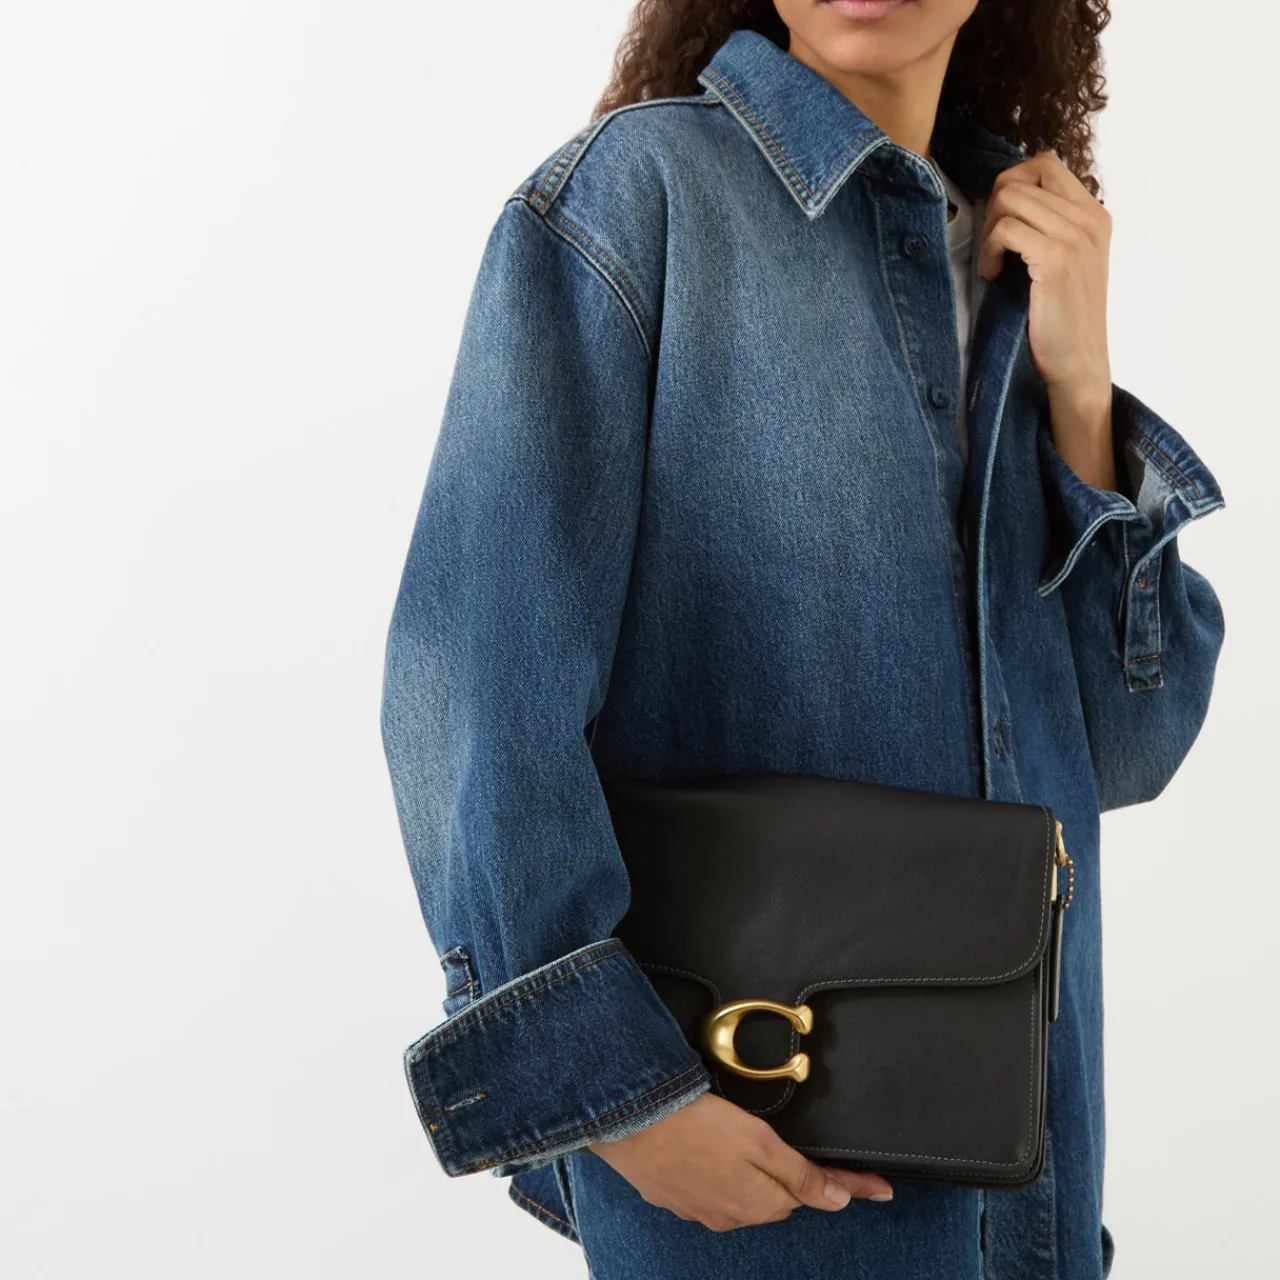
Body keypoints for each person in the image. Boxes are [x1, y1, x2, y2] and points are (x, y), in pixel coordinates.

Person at [379, 3, 1226, 1277]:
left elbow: (1122, 748)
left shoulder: (1019, 262)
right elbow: (473, 692)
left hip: (1027, 1197)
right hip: (753, 1185)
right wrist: (620, 1099)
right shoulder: (637, 200)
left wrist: (1080, 393)